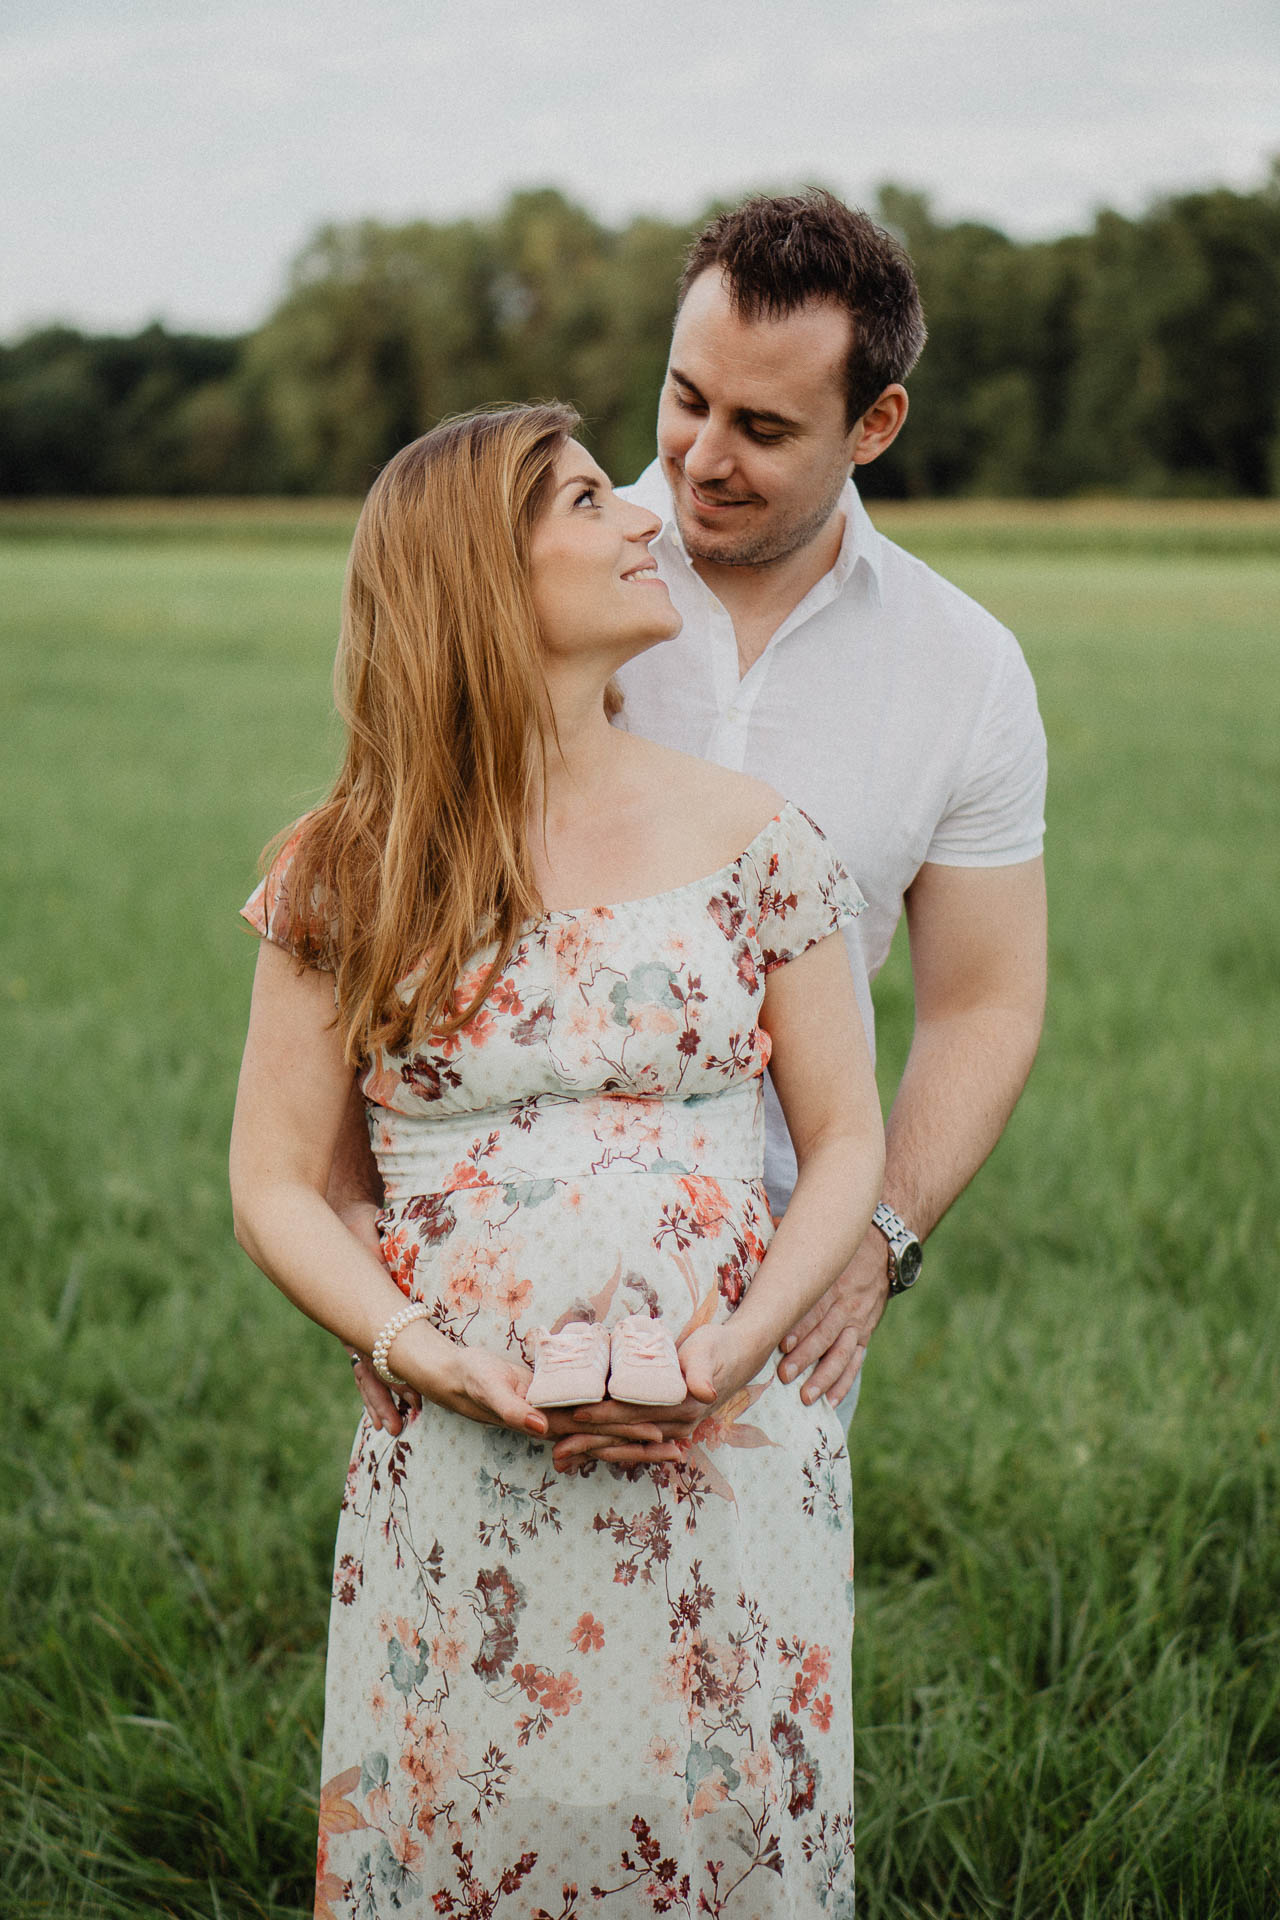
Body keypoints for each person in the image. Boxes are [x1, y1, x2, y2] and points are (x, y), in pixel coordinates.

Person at [229, 403, 885, 1915]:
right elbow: (277, 1178)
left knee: (722, 1836)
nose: (647, 517)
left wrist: (735, 1353)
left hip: (729, 1446)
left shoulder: (757, 839)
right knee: (467, 1831)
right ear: (478, 572)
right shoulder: (348, 868)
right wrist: (422, 1351)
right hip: (461, 1455)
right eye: (592, 502)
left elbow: (846, 1136)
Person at [349, 189, 1048, 1452]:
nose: (698, 460)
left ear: (873, 424)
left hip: (777, 1290)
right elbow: (393, 901)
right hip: (473, 1299)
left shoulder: (967, 669)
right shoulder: (551, 580)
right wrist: (374, 1294)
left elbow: (982, 1002)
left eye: (763, 427)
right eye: (685, 398)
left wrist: (874, 1237)